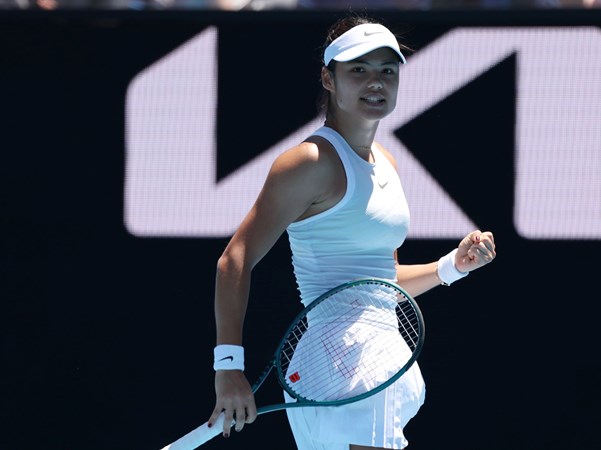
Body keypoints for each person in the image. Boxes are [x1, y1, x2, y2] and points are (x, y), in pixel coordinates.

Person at [207, 13, 496, 450]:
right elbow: (235, 260)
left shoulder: (387, 163)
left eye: (387, 70)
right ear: (328, 78)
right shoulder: (309, 162)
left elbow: (380, 283)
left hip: (378, 350)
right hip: (343, 355)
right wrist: (228, 367)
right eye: (358, 70)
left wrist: (451, 267)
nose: (375, 82)